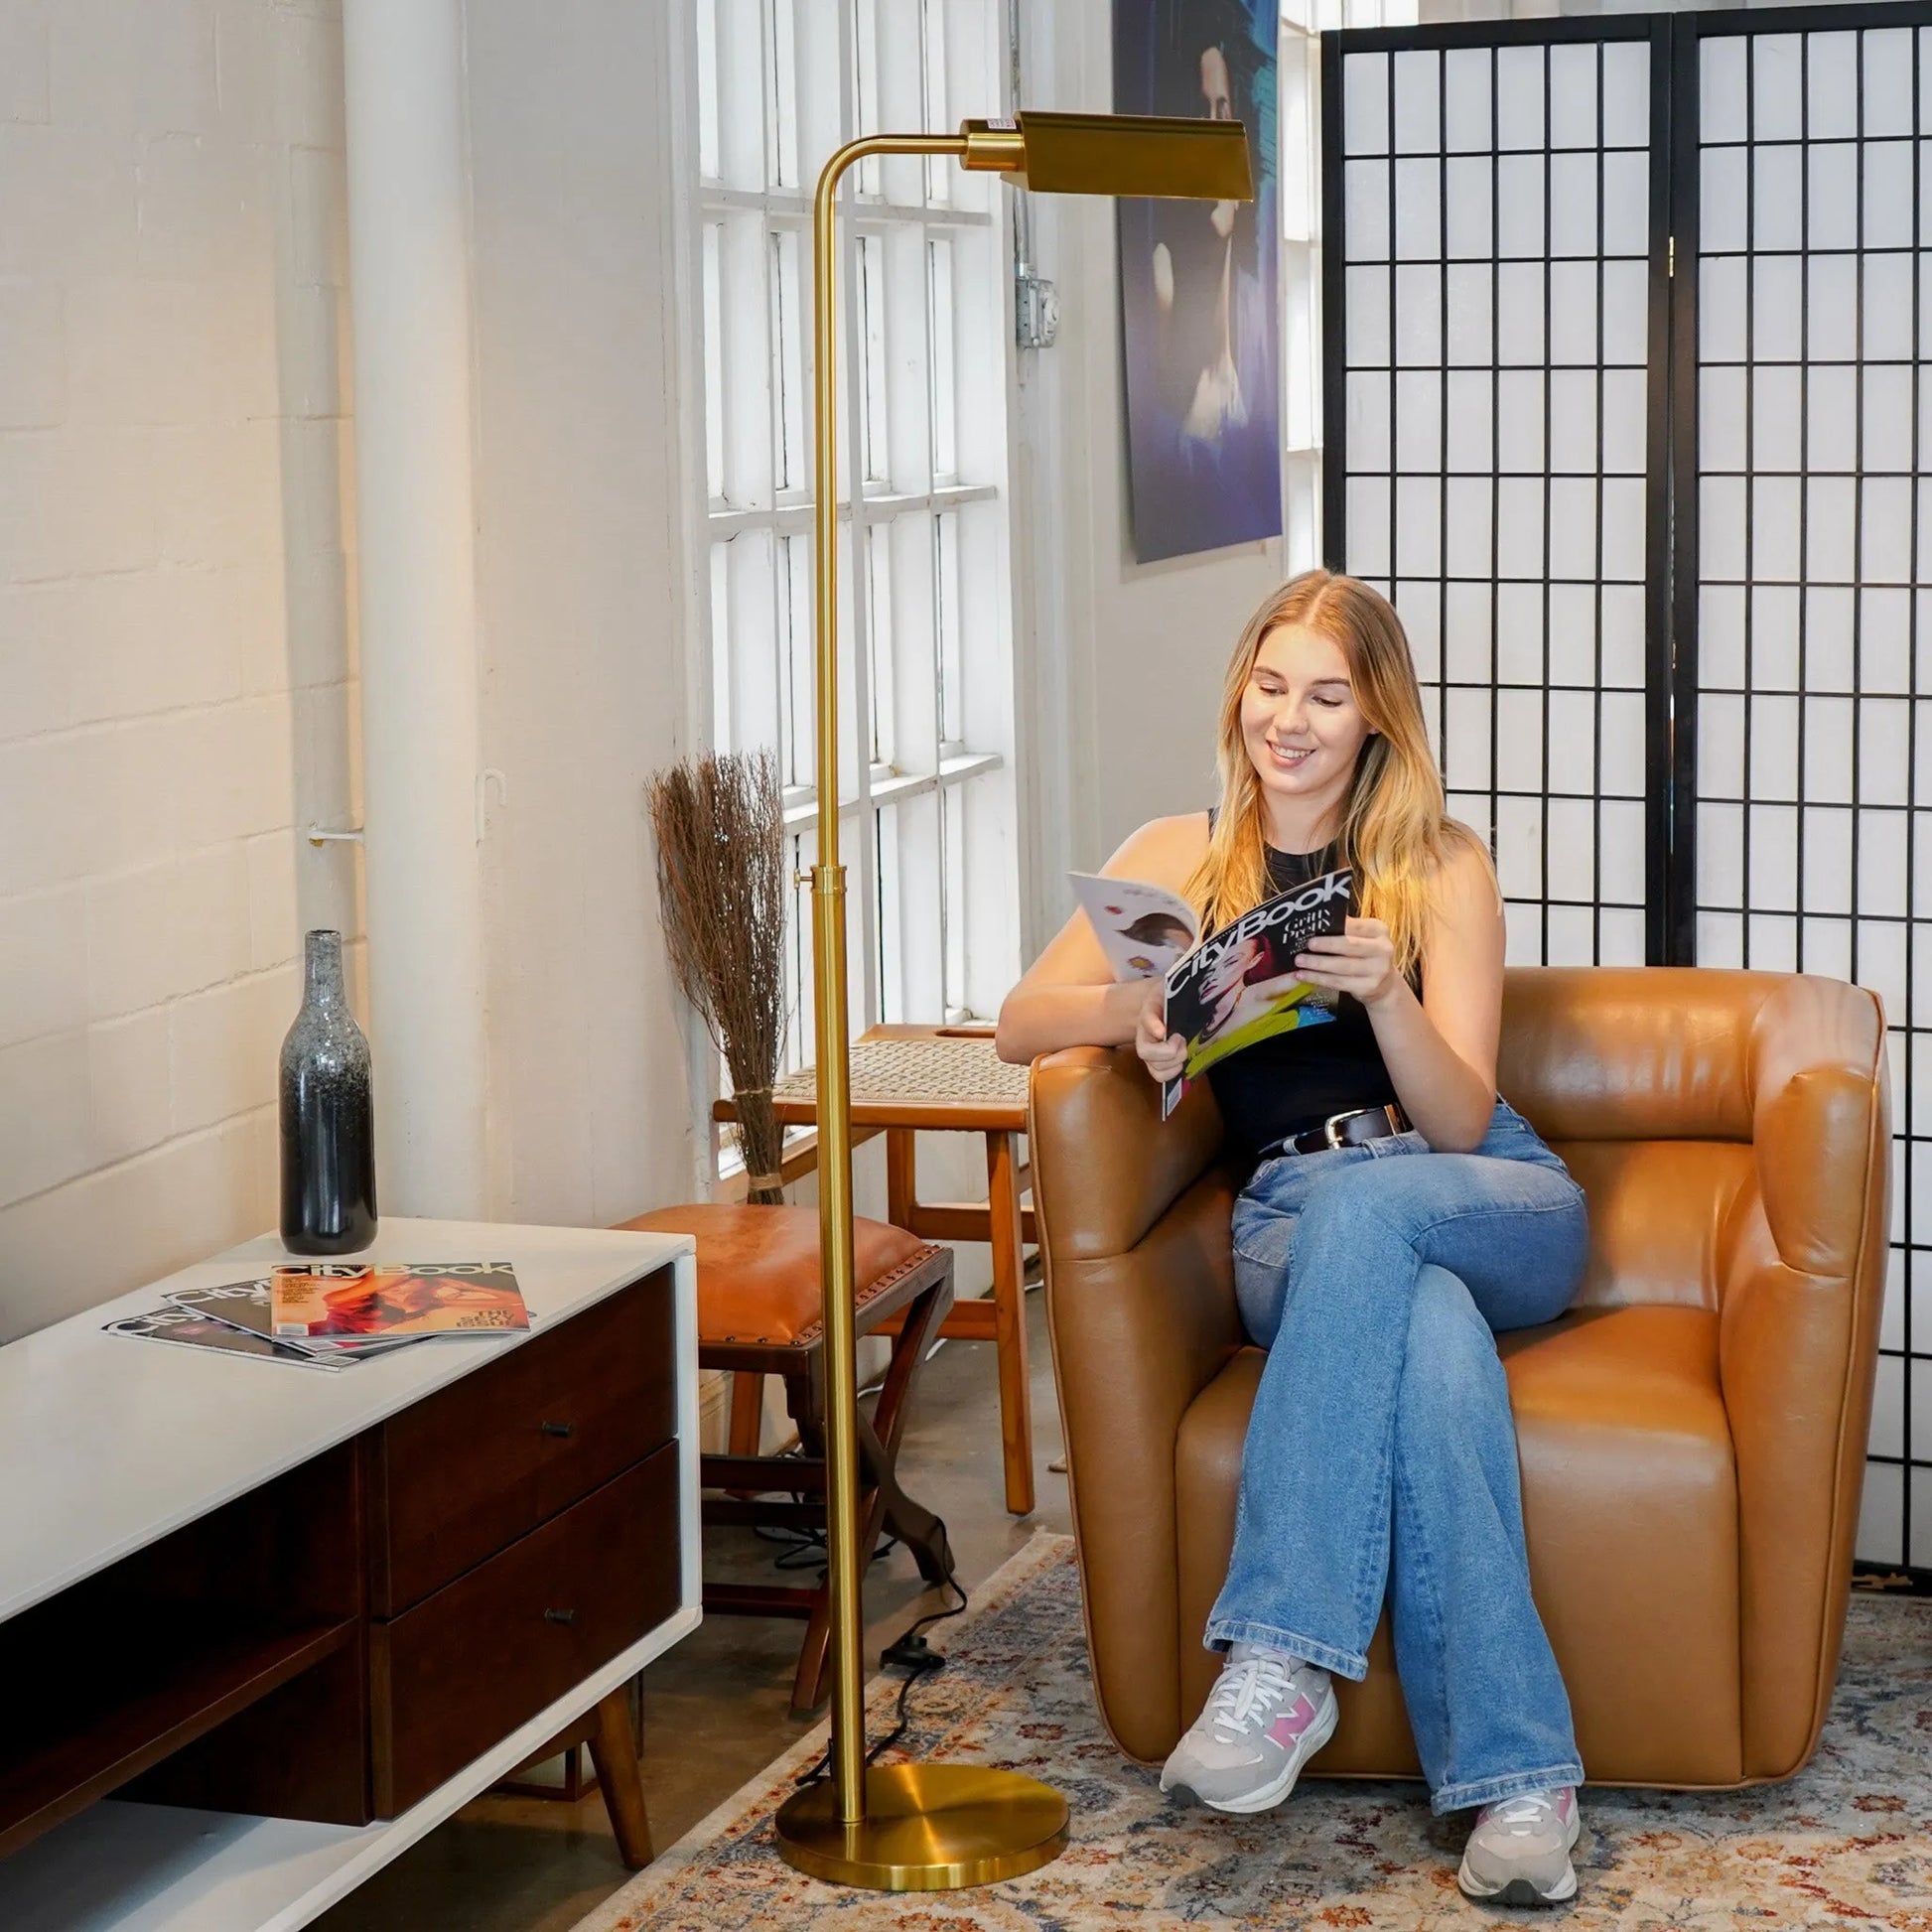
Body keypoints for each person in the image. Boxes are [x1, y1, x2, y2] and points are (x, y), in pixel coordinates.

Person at [996, 569, 1590, 1909]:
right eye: (1271, 686)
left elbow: (1460, 1118)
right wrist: (1131, 1016)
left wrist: (1388, 1000)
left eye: (1326, 694)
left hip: (1471, 1186)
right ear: (1238, 693)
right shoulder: (1176, 850)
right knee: (1430, 1356)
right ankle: (1520, 1784)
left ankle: (1279, 1660)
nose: (1291, 719)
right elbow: (1014, 1020)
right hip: (1290, 1220)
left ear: (1377, 714)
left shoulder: (1437, 861)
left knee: (1381, 1210)